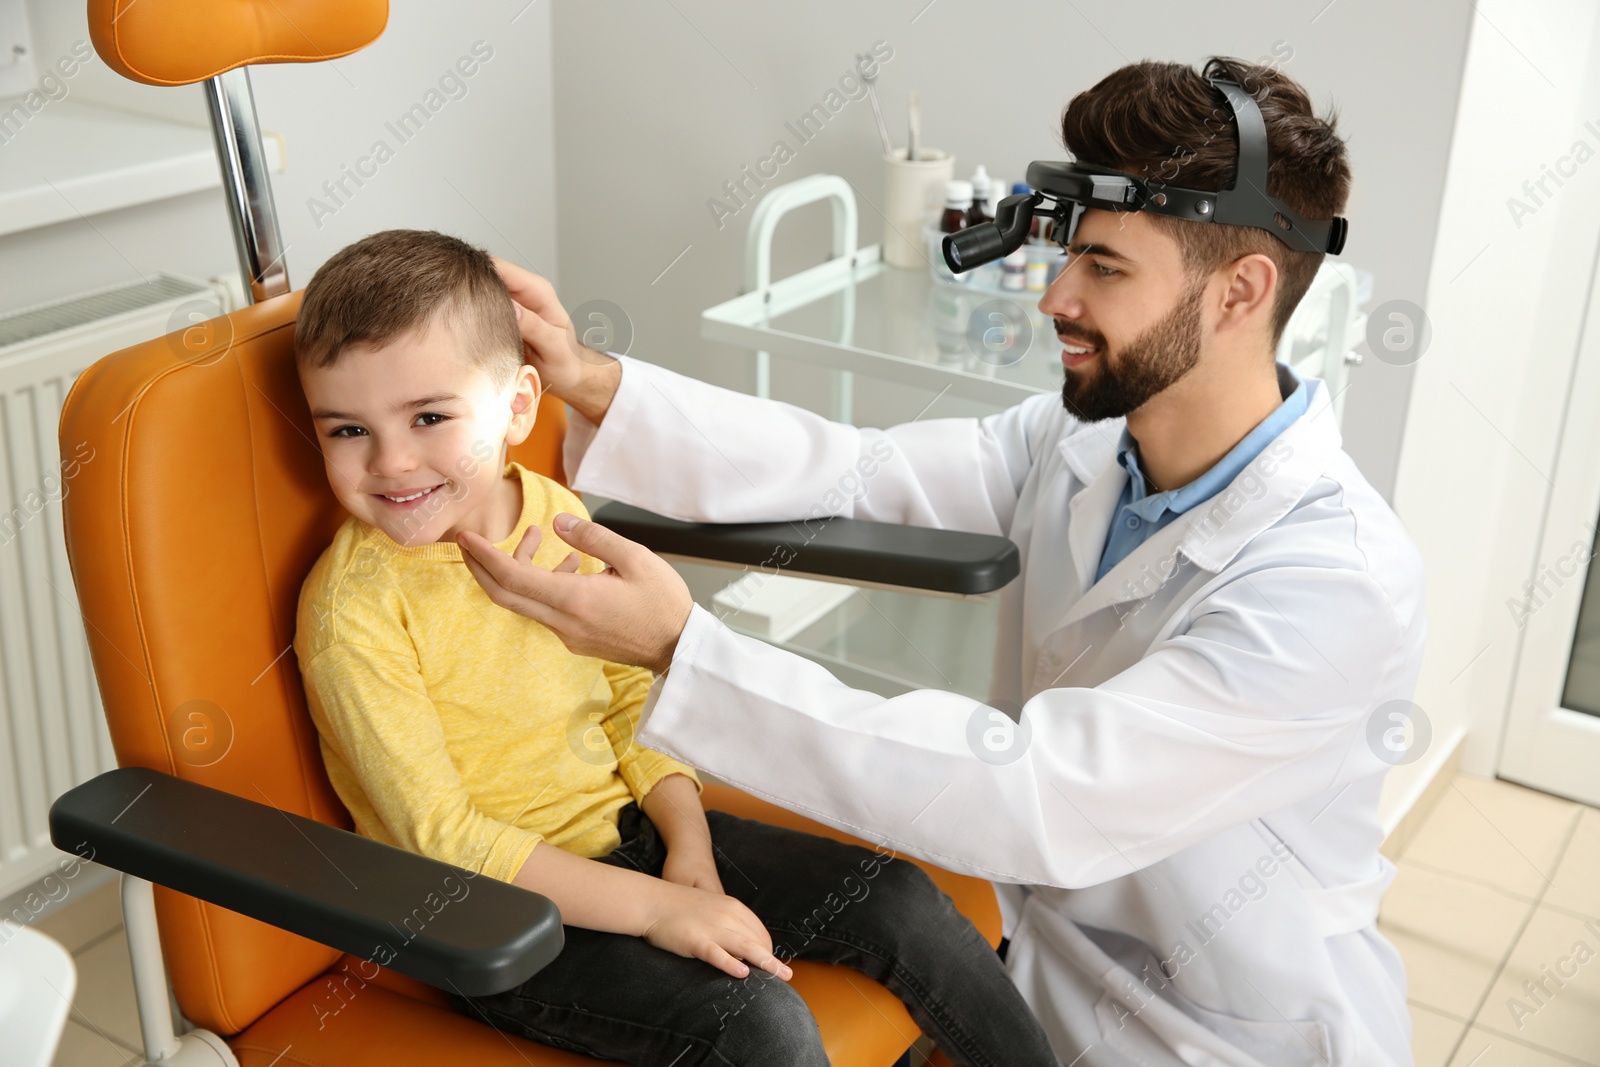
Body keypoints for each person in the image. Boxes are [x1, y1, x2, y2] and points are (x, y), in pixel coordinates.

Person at [456, 57, 1428, 1067]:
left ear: (1241, 292)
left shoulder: (1333, 585)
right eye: (1067, 255)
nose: (1055, 294)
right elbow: (850, 468)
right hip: (1033, 972)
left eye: (1104, 266)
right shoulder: (1082, 442)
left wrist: (681, 649)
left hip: (1219, 1032)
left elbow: (1042, 796)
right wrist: (592, 380)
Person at [289, 229, 1061, 1067]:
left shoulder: (554, 513)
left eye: (430, 416)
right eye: (345, 430)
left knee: (903, 902)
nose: (391, 461)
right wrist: (658, 911)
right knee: (757, 1022)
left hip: (638, 835)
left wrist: (688, 850)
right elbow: (440, 838)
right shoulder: (354, 609)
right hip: (494, 916)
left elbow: (628, 698)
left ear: (518, 405)